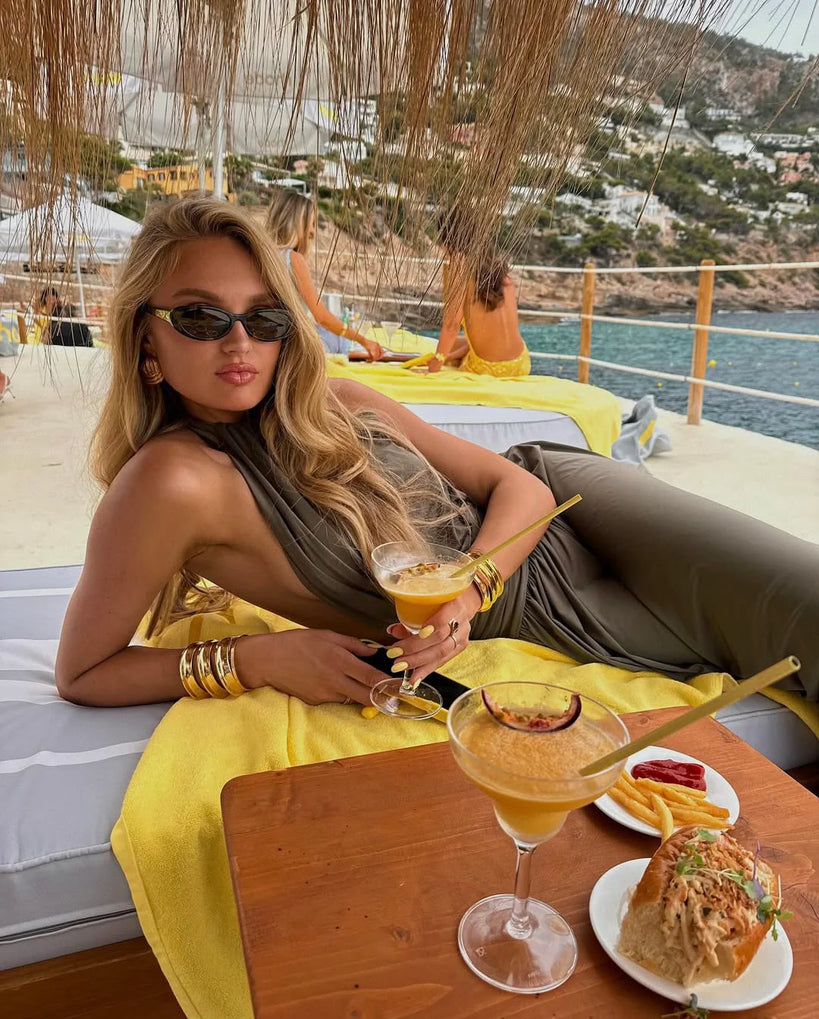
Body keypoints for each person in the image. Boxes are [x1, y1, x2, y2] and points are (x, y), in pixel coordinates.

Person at [55, 197, 818, 709]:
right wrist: (255, 660)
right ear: (145, 340)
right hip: (548, 609)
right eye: (200, 317)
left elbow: (520, 485)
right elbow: (83, 671)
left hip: (560, 508)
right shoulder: (171, 482)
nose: (239, 343)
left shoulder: (336, 402)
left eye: (264, 318)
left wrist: (467, 590)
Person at [265, 189, 383, 361]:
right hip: (292, 348)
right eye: (311, 224)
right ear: (298, 223)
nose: (313, 232)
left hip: (271, 342)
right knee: (338, 339)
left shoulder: (263, 257)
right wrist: (363, 340)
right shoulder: (293, 259)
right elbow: (322, 317)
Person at [427, 212, 530, 376]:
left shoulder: (458, 266)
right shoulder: (497, 268)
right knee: (452, 345)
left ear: (446, 239)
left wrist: (435, 367)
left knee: (435, 348)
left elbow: (452, 325)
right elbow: (492, 332)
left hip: (490, 369)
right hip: (521, 362)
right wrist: (451, 356)